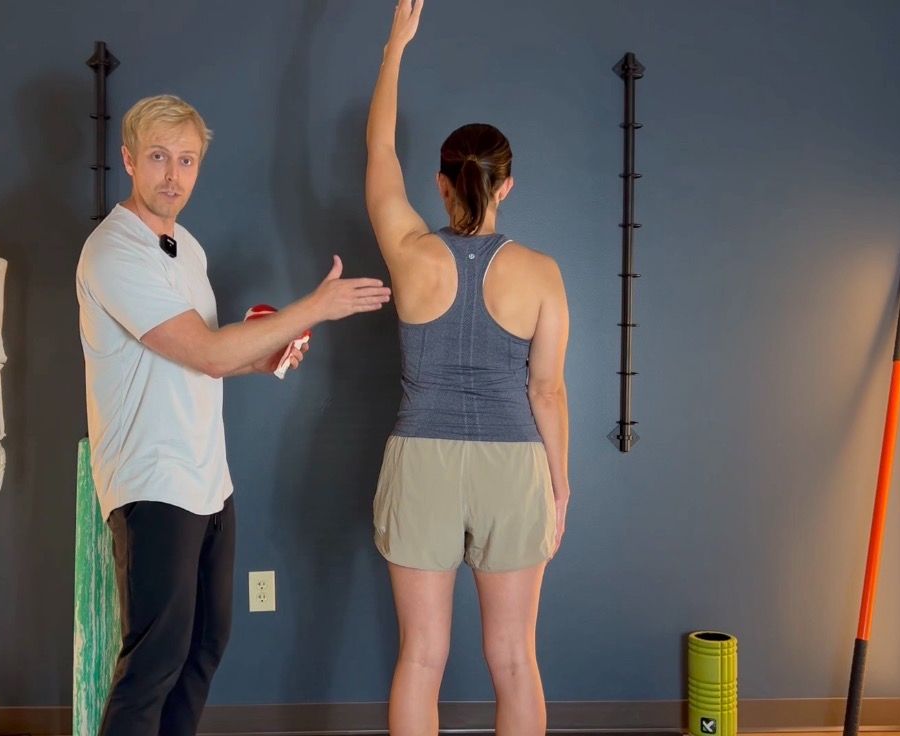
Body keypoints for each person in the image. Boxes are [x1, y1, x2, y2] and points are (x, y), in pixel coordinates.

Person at [76, 93, 391, 736]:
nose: (173, 175)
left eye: (187, 160)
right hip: (152, 479)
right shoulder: (114, 251)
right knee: (155, 661)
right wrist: (315, 307)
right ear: (129, 159)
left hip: (207, 478)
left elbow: (206, 357)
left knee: (203, 648)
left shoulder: (186, 248)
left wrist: (262, 356)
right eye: (159, 157)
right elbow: (208, 352)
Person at [364, 2, 572, 734]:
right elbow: (547, 391)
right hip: (513, 465)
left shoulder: (409, 252)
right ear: (505, 185)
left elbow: (379, 151)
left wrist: (395, 47)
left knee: (420, 657)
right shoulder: (542, 274)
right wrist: (559, 484)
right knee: (514, 659)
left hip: (420, 461)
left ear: (441, 183)